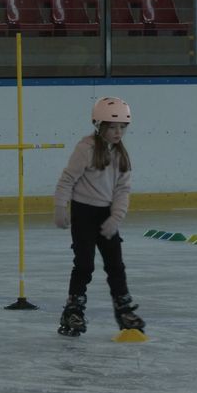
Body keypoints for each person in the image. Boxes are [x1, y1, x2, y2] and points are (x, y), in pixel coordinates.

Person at [54, 97, 145, 337]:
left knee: (115, 264)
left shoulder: (122, 155)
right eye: (113, 127)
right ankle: (73, 310)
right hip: (83, 213)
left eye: (123, 127)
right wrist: (61, 208)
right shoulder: (86, 149)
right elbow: (67, 180)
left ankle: (124, 309)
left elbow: (123, 190)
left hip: (106, 214)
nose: (118, 132)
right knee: (84, 264)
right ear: (99, 126)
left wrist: (116, 217)